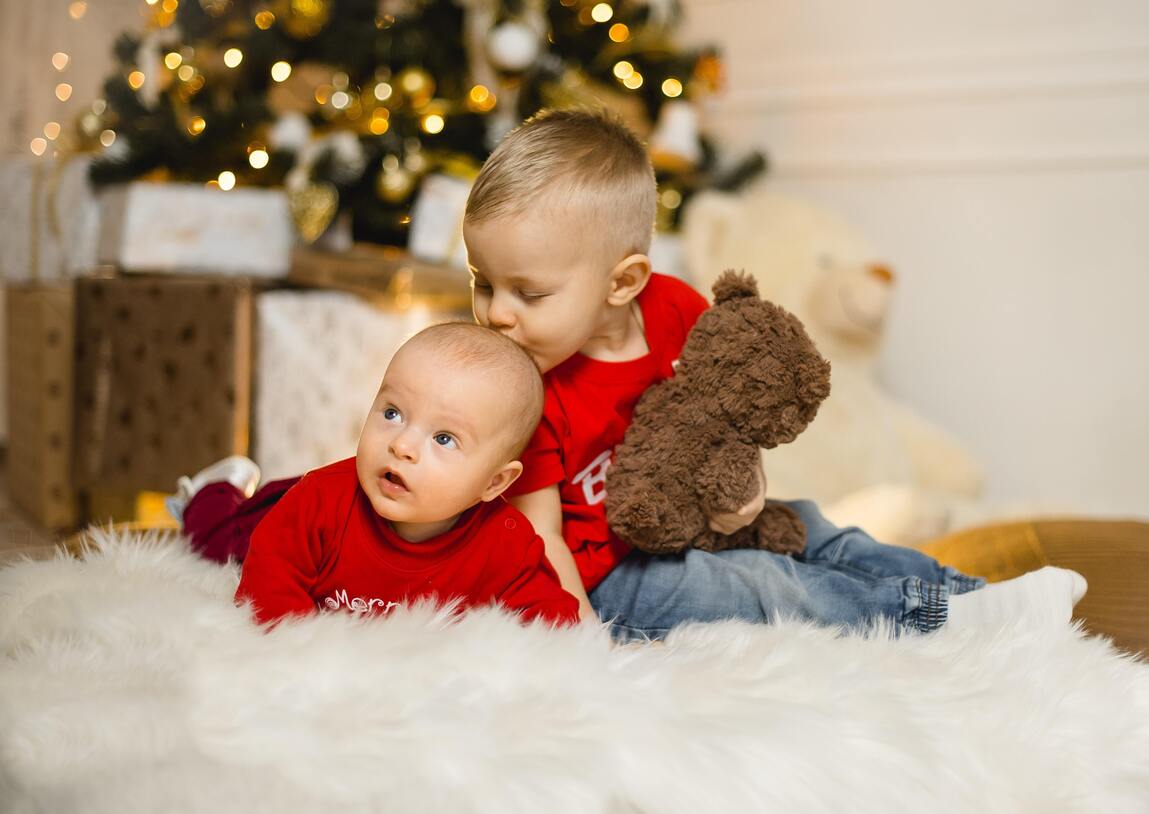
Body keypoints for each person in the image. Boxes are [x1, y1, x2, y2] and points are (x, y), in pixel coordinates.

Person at [459, 107, 1086, 639]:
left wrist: (748, 491)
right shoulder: (519, 391)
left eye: (528, 293)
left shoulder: (674, 309)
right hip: (615, 582)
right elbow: (541, 542)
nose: (497, 315)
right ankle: (938, 623)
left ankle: (974, 596)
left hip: (696, 524)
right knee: (760, 586)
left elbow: (728, 414)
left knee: (812, 524)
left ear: (624, 282)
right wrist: (583, 643)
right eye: (483, 284)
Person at [174, 322, 579, 628]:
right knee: (216, 541)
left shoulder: (506, 544)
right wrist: (305, 653)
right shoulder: (319, 503)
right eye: (392, 413)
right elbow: (270, 585)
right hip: (281, 508)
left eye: (443, 438)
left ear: (494, 482)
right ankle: (215, 489)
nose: (402, 444)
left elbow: (553, 625)